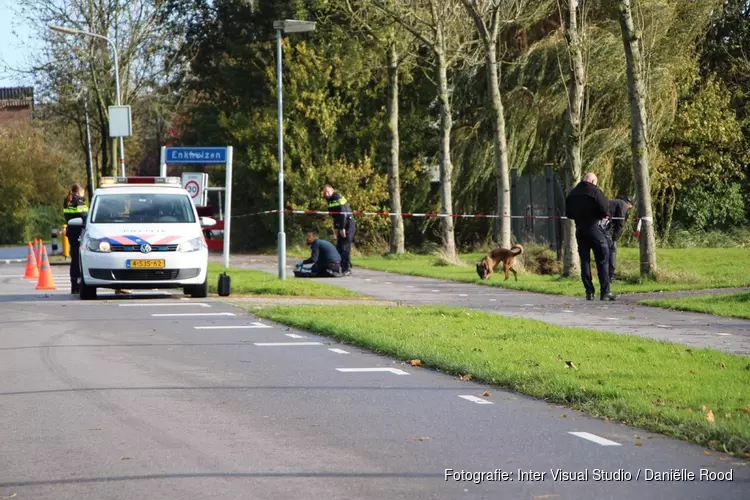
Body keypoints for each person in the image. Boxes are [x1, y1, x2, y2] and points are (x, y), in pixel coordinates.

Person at [565, 172, 616, 301]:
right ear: (593, 181)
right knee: (603, 258)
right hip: (594, 228)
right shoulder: (595, 191)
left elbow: (568, 214)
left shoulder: (572, 193)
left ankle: (589, 292)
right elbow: (605, 210)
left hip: (580, 229)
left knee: (585, 261)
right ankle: (605, 292)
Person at [323, 184, 355, 276]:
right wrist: (336, 228)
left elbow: (343, 214)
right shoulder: (330, 200)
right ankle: (341, 267)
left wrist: (342, 228)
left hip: (347, 223)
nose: (326, 194)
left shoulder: (336, 197)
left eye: (328, 192)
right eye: (325, 192)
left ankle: (347, 269)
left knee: (345, 247)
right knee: (340, 247)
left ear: (332, 191)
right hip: (341, 223)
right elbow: (335, 216)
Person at [63, 184, 89, 294]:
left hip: (71, 233)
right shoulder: (79, 202)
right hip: (79, 233)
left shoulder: (67, 201)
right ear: (79, 192)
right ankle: (79, 283)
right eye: (83, 192)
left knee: (74, 260)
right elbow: (85, 216)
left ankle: (74, 285)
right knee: (79, 261)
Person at [605, 195, 634, 283]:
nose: (628, 210)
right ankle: (610, 276)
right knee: (612, 249)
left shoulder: (615, 202)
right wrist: (615, 238)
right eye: (630, 208)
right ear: (629, 204)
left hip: (600, 224)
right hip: (603, 226)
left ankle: (606, 275)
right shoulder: (623, 205)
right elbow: (620, 222)